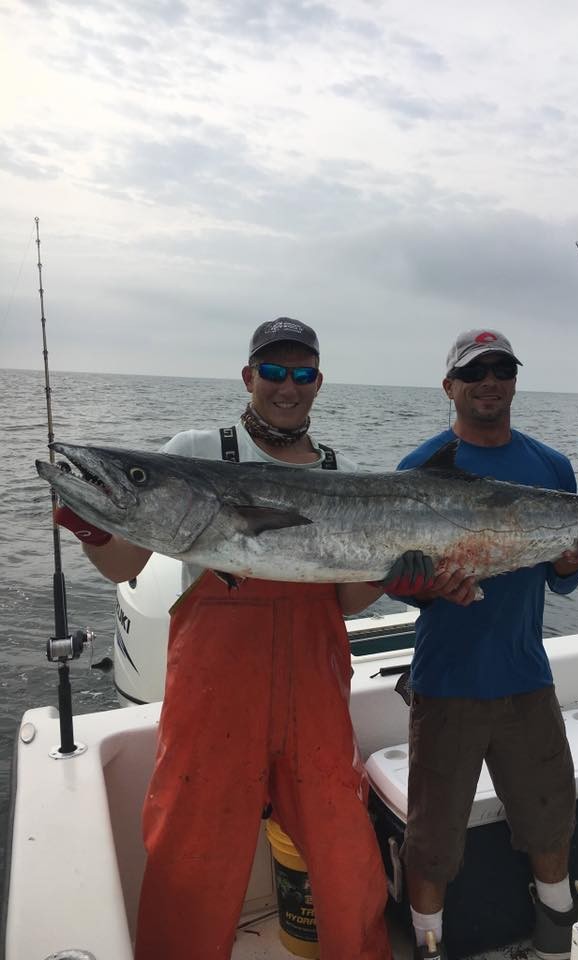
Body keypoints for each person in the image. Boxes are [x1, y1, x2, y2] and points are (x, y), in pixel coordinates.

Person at [54, 317, 425, 960]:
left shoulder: (344, 474)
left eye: (302, 373)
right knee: (189, 871)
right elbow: (126, 567)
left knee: (348, 869)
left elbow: (343, 599)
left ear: (318, 383)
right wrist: (94, 528)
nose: (287, 387)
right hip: (214, 706)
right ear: (248, 377)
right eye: (273, 372)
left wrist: (393, 576)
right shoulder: (197, 450)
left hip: (315, 708)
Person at [395, 329, 578, 960]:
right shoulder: (417, 470)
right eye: (475, 371)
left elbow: (561, 578)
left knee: (551, 825)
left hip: (527, 678)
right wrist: (430, 588)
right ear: (450, 387)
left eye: (502, 368)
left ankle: (555, 947)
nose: (490, 381)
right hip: (446, 684)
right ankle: (428, 948)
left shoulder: (550, 465)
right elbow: (399, 584)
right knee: (432, 844)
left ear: (515, 380)